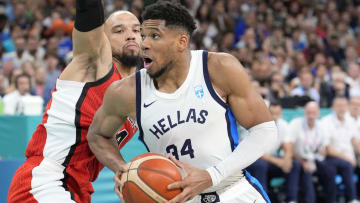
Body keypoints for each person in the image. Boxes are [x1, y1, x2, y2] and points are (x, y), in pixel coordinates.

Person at [87, 2, 278, 203]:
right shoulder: (126, 91)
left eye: (155, 36)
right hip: (176, 199)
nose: (144, 44)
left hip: (233, 191)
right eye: (143, 36)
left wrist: (211, 175)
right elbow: (97, 135)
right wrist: (122, 168)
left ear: (181, 41)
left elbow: (265, 130)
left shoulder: (218, 67)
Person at [7, 0, 141, 202]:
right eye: (119, 30)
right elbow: (89, 10)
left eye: (137, 30)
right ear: (103, 38)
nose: (130, 35)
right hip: (46, 178)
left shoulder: (139, 93)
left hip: (78, 188)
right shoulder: (94, 64)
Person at [247, 102, 300, 203]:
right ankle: (262, 199)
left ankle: (291, 200)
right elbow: (257, 152)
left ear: (280, 113)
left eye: (277, 113)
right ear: (267, 112)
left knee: (294, 164)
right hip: (254, 161)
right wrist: (278, 162)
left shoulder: (283, 124)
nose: (274, 116)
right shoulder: (258, 125)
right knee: (261, 165)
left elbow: (287, 145)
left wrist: (287, 160)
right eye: (272, 113)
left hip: (269, 162)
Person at [290, 101, 334, 203]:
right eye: (308, 112)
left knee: (329, 170)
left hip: (314, 158)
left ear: (318, 113)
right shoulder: (296, 124)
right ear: (304, 112)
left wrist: (323, 151)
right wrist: (303, 162)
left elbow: (325, 147)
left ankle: (331, 200)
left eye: (313, 112)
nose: (311, 115)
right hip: (298, 158)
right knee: (307, 173)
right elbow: (289, 148)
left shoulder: (321, 125)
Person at [321, 97, 359, 203]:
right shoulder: (326, 122)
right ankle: (352, 199)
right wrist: (348, 158)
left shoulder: (350, 121)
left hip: (349, 159)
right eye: (339, 106)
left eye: (344, 106)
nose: (342, 109)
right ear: (333, 108)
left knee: (348, 164)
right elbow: (328, 149)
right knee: (342, 166)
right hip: (332, 157)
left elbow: (355, 141)